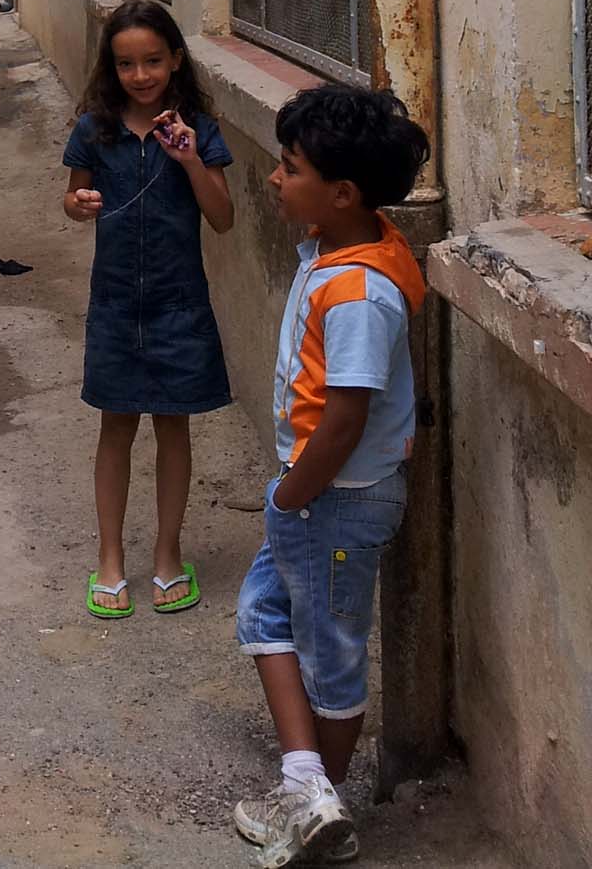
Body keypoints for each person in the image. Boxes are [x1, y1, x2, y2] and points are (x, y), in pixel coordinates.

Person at [231, 82, 428, 869]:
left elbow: (345, 416)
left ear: (341, 193)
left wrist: (291, 493)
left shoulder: (361, 292)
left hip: (332, 500)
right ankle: (306, 784)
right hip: (316, 496)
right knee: (263, 616)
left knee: (331, 650)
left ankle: (320, 803)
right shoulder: (346, 246)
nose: (276, 179)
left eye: (290, 166)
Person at [62, 0, 235, 621]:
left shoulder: (198, 131)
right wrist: (78, 203)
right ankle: (109, 560)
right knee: (115, 428)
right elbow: (73, 195)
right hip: (114, 303)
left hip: (177, 303)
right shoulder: (95, 128)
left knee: (173, 425)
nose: (141, 75)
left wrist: (188, 156)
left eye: (153, 61)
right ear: (112, 68)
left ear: (176, 60)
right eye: (127, 64)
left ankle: (167, 554)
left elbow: (222, 217)